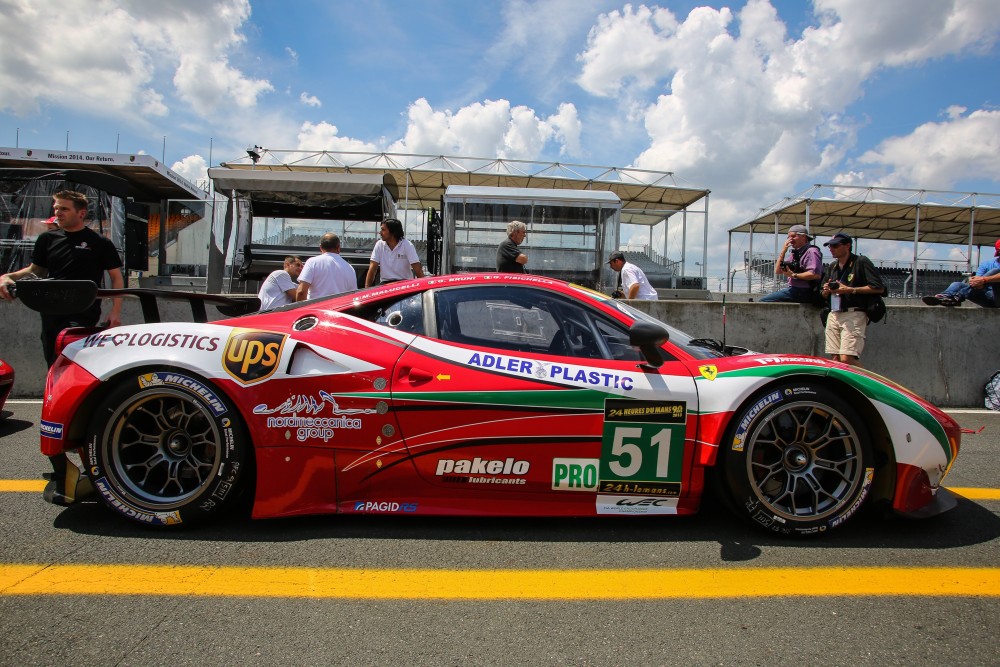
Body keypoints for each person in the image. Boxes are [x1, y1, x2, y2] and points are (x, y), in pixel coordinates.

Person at [0, 190, 124, 367]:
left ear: (81, 213)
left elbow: (116, 278)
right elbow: (36, 270)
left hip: (83, 310)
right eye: (56, 208)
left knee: (72, 356)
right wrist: (7, 277)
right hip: (50, 309)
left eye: (64, 208)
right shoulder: (47, 239)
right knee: (52, 358)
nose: (58, 212)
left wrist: (115, 312)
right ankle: (55, 394)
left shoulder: (99, 242)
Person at [820, 232, 886, 368]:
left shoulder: (860, 262)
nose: (831, 249)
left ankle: (869, 385)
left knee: (847, 358)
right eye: (830, 246)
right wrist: (826, 290)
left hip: (854, 313)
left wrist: (850, 290)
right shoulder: (832, 266)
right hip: (834, 313)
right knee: (835, 359)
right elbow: (822, 292)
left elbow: (879, 288)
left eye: (835, 245)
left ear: (847, 245)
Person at [922, 239, 1000, 308]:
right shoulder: (986, 264)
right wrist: (976, 282)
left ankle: (958, 296)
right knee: (957, 284)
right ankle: (945, 297)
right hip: (986, 297)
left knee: (995, 271)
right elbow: (977, 280)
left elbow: (982, 279)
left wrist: (984, 280)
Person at [760, 224, 823, 302]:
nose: (790, 240)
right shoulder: (796, 253)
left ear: (803, 237)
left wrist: (793, 275)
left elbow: (815, 274)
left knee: (764, 301)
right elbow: (778, 271)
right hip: (795, 289)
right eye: (788, 237)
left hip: (804, 290)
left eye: (793, 236)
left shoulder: (812, 251)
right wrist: (783, 251)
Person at [364, 218, 425, 287]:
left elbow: (417, 269)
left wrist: (424, 289)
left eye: (383, 230)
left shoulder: (407, 245)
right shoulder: (379, 244)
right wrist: (366, 289)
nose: (380, 232)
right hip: (385, 284)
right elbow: (372, 269)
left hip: (404, 284)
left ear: (393, 232)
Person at [295, 233, 356, 301]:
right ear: (338, 248)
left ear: (321, 247)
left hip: (316, 310)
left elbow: (301, 292)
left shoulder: (312, 262)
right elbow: (353, 297)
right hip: (339, 310)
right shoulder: (349, 268)